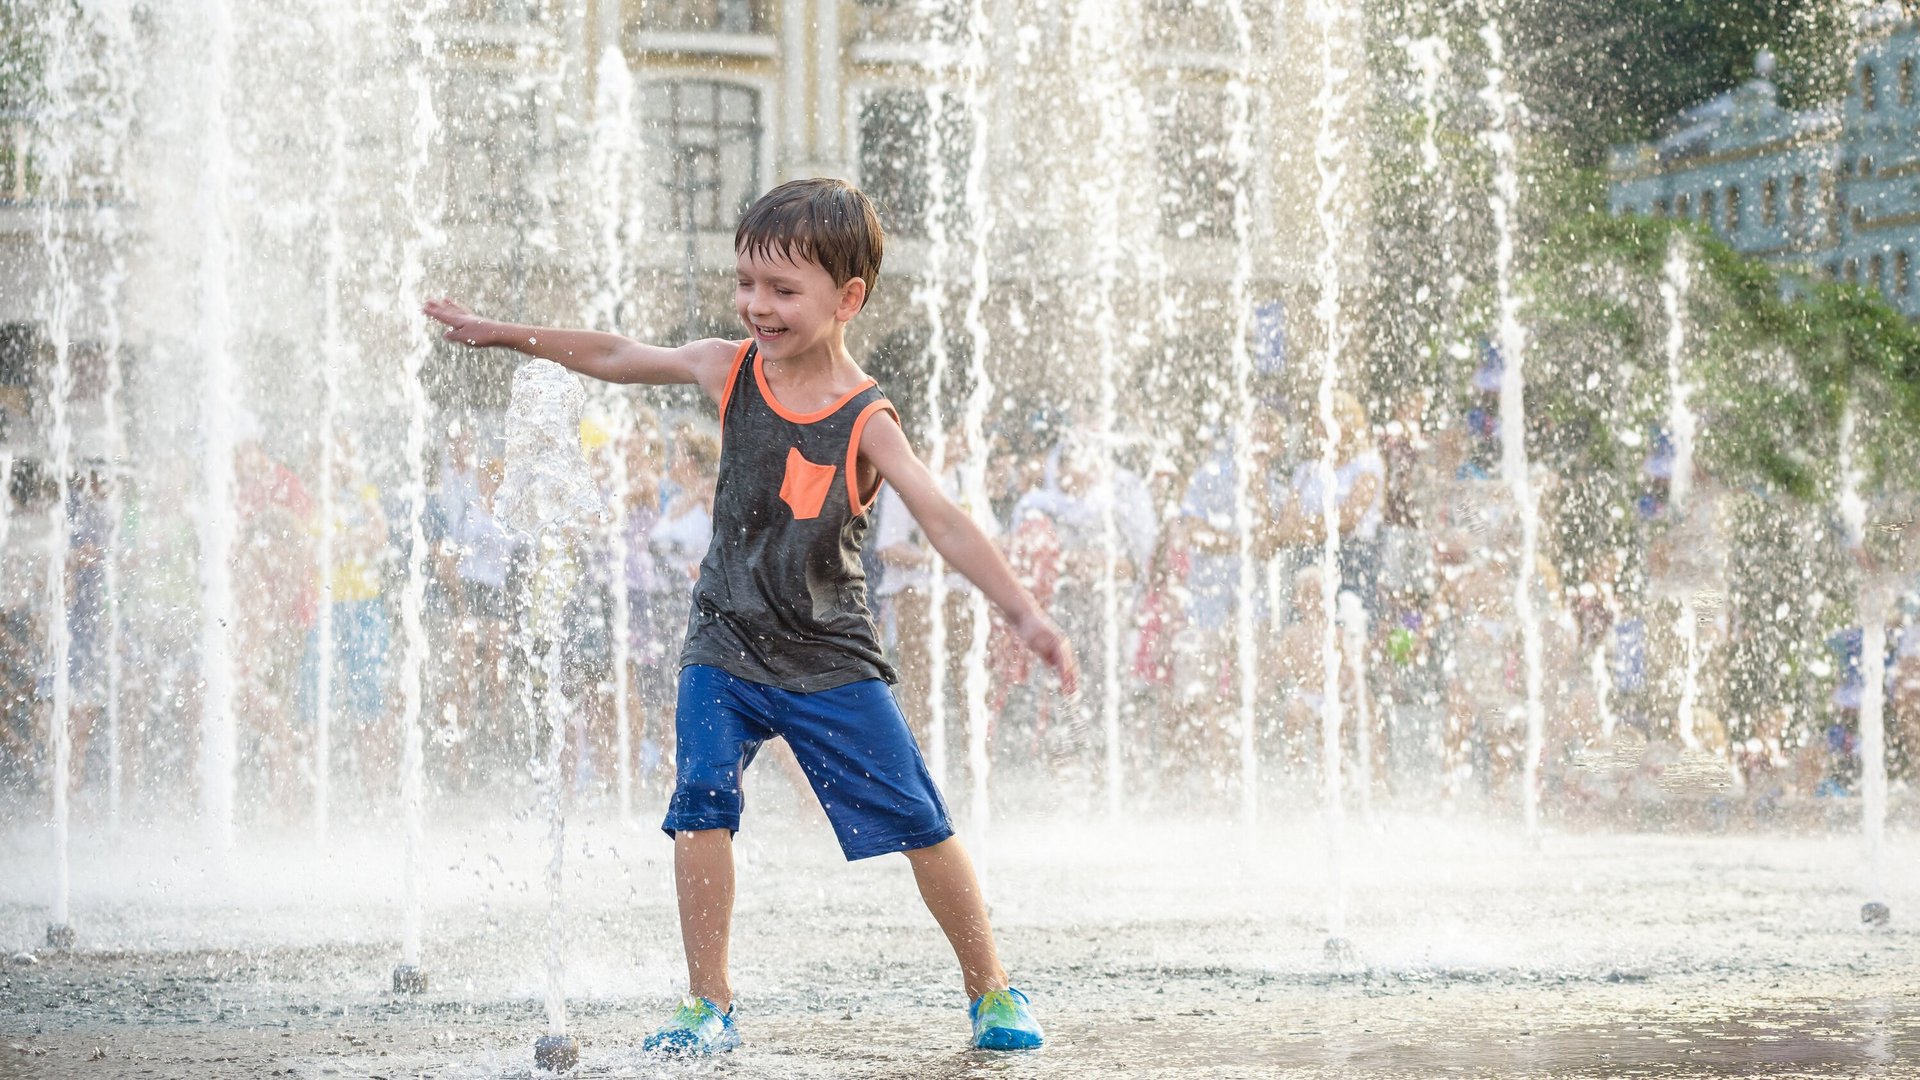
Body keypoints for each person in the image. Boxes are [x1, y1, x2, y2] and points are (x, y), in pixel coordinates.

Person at [423, 177, 1076, 1055]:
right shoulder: (730, 369)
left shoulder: (866, 418)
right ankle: (710, 1003)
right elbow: (618, 355)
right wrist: (503, 334)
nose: (755, 306)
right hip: (722, 641)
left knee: (920, 821)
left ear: (848, 299)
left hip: (829, 657)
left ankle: (991, 988)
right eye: (745, 284)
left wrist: (1024, 614)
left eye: (781, 290)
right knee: (700, 803)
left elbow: (946, 519)